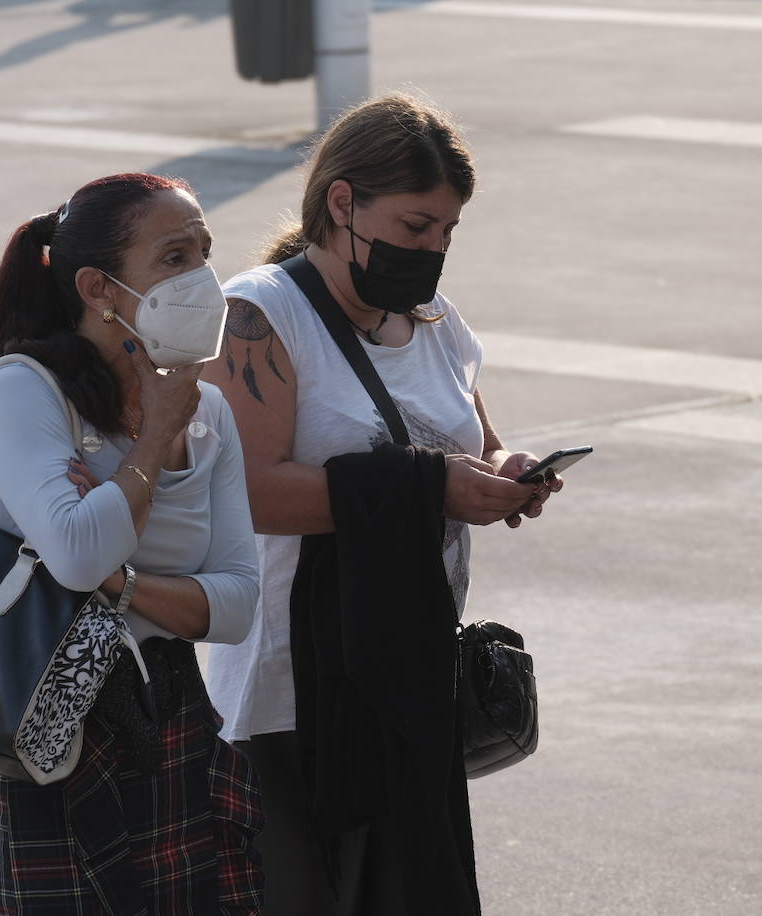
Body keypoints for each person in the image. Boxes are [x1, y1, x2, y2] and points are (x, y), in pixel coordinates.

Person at [202, 93, 562, 915]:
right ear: (342, 204)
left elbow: (475, 439)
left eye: (446, 232)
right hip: (294, 686)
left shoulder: (433, 318)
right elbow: (250, 493)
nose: (431, 249)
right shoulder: (260, 313)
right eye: (413, 226)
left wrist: (509, 472)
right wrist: (432, 486)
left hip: (407, 669)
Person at [0, 172, 264, 914]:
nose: (202, 278)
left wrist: (123, 587)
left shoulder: (211, 412)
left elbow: (237, 604)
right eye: (173, 258)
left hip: (170, 707)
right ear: (99, 288)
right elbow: (76, 557)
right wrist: (155, 434)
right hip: (54, 716)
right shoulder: (24, 391)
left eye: (205, 252)